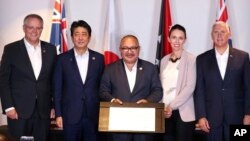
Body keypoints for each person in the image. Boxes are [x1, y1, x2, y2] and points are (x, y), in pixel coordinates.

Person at [0, 14, 57, 141]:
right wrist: (8, 107)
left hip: (43, 111)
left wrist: (53, 106)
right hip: (19, 111)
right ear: (24, 28)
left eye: (38, 28)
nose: (34, 31)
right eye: (31, 27)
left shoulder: (51, 49)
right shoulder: (11, 49)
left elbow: (53, 80)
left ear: (42, 29)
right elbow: (3, 81)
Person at [99, 34, 163, 141]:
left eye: (133, 48)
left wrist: (148, 101)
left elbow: (158, 91)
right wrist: (113, 100)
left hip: (143, 124)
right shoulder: (110, 69)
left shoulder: (150, 68)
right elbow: (103, 91)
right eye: (125, 48)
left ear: (138, 49)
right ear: (120, 50)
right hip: (118, 124)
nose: (129, 51)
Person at [194, 21, 250, 141]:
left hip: (238, 118)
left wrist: (248, 114)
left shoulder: (243, 57)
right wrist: (201, 116)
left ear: (229, 34)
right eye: (216, 32)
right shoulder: (201, 59)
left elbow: (248, 88)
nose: (219, 35)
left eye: (223, 32)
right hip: (211, 120)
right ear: (212, 35)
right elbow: (199, 90)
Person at [52, 20, 104, 141]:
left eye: (84, 34)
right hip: (69, 116)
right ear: (72, 37)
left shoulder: (99, 59)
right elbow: (57, 89)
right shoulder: (62, 59)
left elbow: (102, 87)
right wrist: (58, 114)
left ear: (89, 37)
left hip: (92, 115)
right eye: (77, 34)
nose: (80, 37)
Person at [159, 24, 196, 141]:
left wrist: (172, 106)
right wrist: (164, 107)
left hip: (183, 113)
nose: (177, 41)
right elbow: (161, 86)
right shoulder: (164, 60)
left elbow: (190, 87)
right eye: (174, 37)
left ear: (185, 40)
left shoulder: (191, 59)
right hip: (166, 112)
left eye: (181, 38)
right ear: (169, 39)